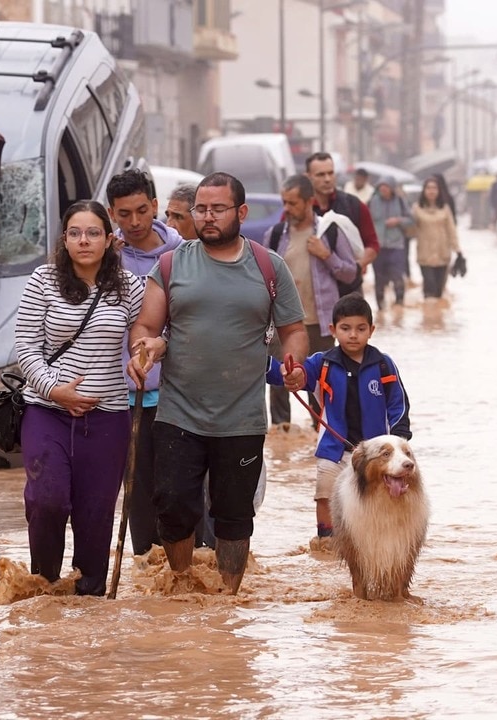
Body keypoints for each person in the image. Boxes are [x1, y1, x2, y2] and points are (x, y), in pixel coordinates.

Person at [128, 172, 309, 594]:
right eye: (201, 209)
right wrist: (146, 348)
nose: (208, 217)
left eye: (218, 209)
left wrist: (293, 364)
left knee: (234, 515)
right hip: (178, 414)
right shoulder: (172, 265)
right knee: (172, 507)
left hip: (242, 418)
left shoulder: (268, 266)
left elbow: (294, 330)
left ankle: (228, 599)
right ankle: (182, 584)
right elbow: (146, 326)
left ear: (241, 212)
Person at [15, 200, 144, 596]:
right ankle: (45, 587)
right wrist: (55, 390)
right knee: (47, 500)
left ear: (109, 239)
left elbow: (150, 333)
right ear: (65, 239)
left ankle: (89, 599)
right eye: (74, 233)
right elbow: (25, 348)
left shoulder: (130, 287)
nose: (83, 241)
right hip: (46, 411)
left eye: (92, 233)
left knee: (97, 513)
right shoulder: (43, 280)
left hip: (107, 419)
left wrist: (143, 354)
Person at [106, 169, 212, 554]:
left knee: (183, 491)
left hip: (180, 394)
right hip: (124, 397)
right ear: (111, 213)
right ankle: (147, 580)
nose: (134, 222)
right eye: (123, 214)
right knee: (137, 496)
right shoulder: (106, 259)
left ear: (155, 207)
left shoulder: (185, 255)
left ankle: (190, 575)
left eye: (141, 211)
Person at [265, 293, 411, 539]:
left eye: (360, 328)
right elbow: (287, 375)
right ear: (333, 329)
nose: (353, 334)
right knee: (325, 496)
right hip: (334, 449)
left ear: (371, 330)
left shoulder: (384, 365)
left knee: (377, 497)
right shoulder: (322, 364)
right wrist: (258, 362)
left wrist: (398, 441)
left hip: (375, 454)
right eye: (345, 328)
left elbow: (399, 404)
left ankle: (372, 541)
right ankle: (327, 542)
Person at [263, 174, 359, 429]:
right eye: (284, 202)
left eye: (293, 203)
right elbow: (259, 277)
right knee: (279, 383)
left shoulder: (330, 232)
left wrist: (326, 255)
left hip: (320, 322)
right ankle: (282, 436)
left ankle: (321, 435)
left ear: (310, 202)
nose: (286, 208)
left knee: (320, 384)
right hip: (282, 323)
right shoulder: (273, 235)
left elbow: (351, 273)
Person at [305, 152, 380, 269]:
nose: (327, 179)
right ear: (308, 177)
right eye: (320, 175)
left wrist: (356, 268)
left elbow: (372, 244)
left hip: (348, 285)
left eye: (330, 173)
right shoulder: (300, 209)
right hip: (312, 282)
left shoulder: (353, 205)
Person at [367, 177, 413, 311]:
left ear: (392, 189)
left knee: (398, 277)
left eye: (386, 187)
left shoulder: (400, 201)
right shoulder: (373, 202)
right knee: (379, 279)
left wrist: (398, 221)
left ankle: (399, 306)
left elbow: (411, 220)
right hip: (378, 246)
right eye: (381, 187)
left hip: (396, 246)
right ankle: (380, 309)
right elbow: (365, 221)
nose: (383, 190)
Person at [410, 177, 460, 300]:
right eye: (428, 188)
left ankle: (437, 318)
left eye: (434, 188)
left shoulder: (445, 208)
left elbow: (451, 230)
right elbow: (410, 230)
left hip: (443, 254)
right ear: (424, 191)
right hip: (425, 255)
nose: (431, 191)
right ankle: (428, 317)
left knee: (438, 291)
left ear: (439, 191)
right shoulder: (416, 209)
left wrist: (458, 250)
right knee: (429, 289)